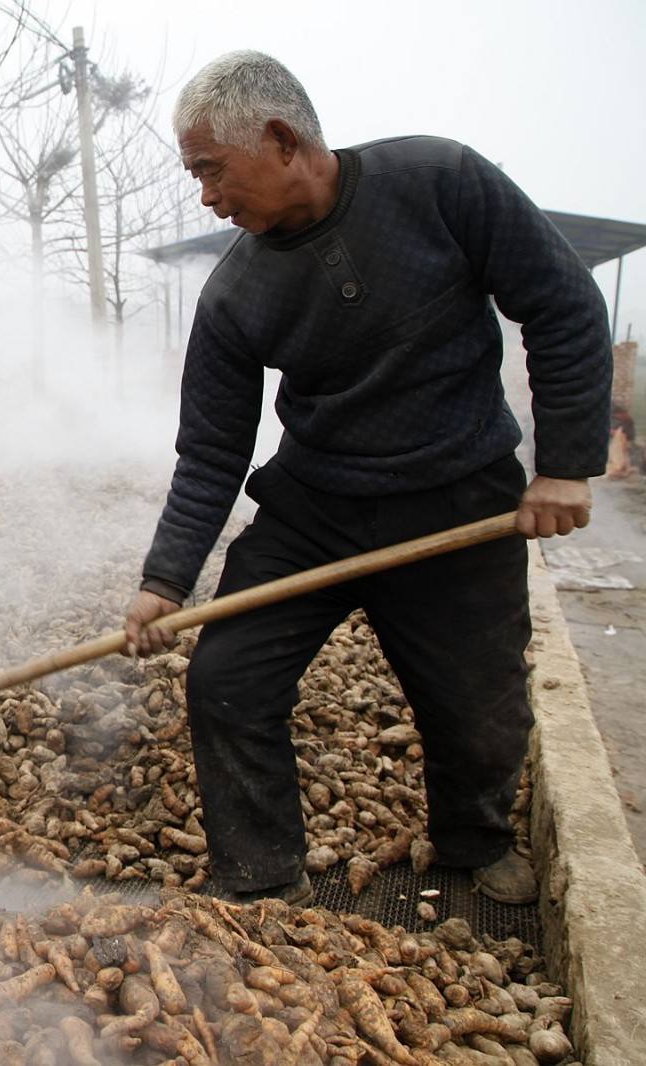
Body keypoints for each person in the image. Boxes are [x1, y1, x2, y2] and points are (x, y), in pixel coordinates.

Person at [122, 52, 610, 906]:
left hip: (459, 492)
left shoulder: (438, 180)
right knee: (226, 680)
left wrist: (565, 466)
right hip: (318, 508)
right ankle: (260, 875)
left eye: (209, 170)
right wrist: (165, 580)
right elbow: (210, 451)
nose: (206, 196)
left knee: (477, 705)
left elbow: (563, 303)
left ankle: (473, 841)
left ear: (279, 139)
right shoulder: (234, 295)